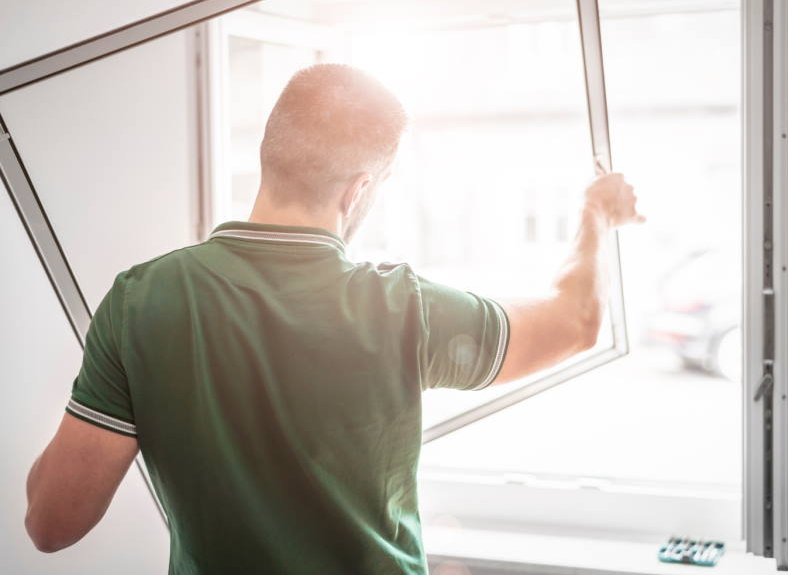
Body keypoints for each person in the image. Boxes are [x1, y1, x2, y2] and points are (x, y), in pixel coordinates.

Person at [24, 64, 643, 573]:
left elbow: (51, 525)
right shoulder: (404, 309)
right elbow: (576, 321)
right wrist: (595, 214)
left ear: (270, 155)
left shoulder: (141, 301)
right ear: (358, 188)